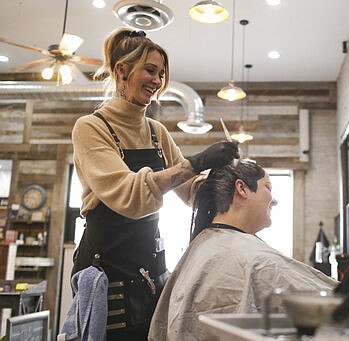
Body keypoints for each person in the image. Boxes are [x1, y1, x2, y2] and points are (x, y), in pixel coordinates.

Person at [70, 28, 238, 340]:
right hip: (108, 276)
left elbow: (190, 192)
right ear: (122, 70)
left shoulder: (156, 131)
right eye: (150, 70)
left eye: (161, 73)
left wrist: (223, 176)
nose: (157, 81)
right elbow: (129, 195)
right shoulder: (92, 128)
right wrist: (197, 161)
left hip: (151, 271)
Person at [148, 160, 338, 340]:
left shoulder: (202, 247)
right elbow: (338, 304)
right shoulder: (254, 259)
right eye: (268, 187)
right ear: (242, 188)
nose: (275, 201)